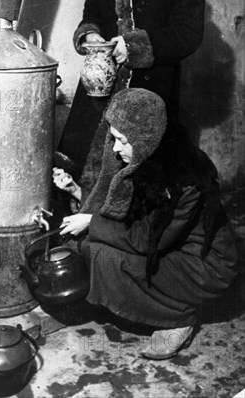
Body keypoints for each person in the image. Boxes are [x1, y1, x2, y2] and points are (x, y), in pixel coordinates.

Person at [53, 88, 238, 359]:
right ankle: (159, 300)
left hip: (206, 266)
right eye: (113, 138)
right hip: (172, 249)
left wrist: (91, 221)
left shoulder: (183, 177)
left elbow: (145, 239)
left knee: (104, 257)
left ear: (143, 138)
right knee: (91, 247)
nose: (115, 148)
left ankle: (176, 318)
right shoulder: (146, 155)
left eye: (122, 140)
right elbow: (122, 211)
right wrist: (76, 191)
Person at [58, 0, 206, 178]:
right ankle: (78, 210)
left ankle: (124, 220)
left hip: (150, 85)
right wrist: (90, 35)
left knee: (139, 166)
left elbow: (188, 34)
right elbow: (90, 14)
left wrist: (134, 46)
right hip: (101, 80)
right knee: (84, 155)